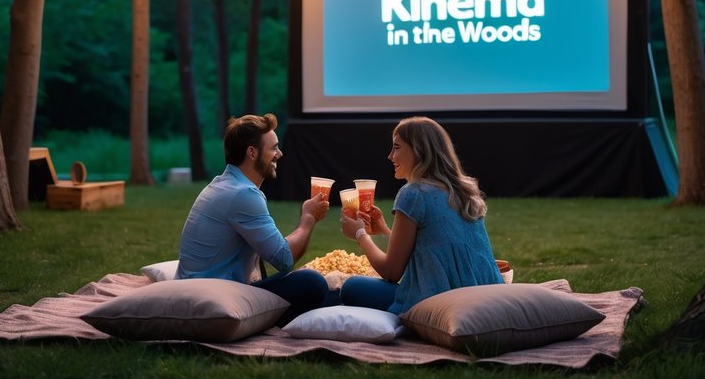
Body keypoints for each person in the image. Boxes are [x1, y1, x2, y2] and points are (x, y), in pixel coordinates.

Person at [176, 112, 330, 325]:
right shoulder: (243, 194)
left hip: (203, 289)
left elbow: (271, 252)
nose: (280, 154)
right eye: (274, 148)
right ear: (252, 152)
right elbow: (284, 260)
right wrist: (308, 218)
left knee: (328, 290)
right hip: (211, 298)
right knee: (312, 283)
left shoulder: (225, 184)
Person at [339, 116, 503, 313]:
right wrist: (383, 229)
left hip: (439, 302)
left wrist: (359, 234)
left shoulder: (413, 193)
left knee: (350, 287)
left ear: (419, 150)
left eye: (397, 147)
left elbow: (391, 272)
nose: (390, 156)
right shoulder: (464, 191)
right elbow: (429, 252)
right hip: (488, 297)